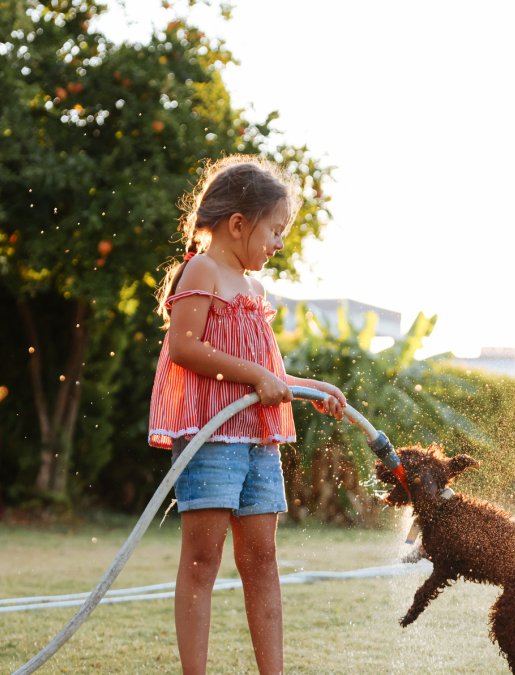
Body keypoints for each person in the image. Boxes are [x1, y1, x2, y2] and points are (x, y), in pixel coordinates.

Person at [148, 155, 346, 675]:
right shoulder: (203, 270)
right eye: (275, 230)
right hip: (211, 440)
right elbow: (184, 347)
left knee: (262, 562)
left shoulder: (257, 293)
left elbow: (267, 374)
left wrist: (310, 388)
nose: (279, 243)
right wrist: (258, 378)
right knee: (202, 561)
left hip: (258, 441)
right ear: (238, 224)